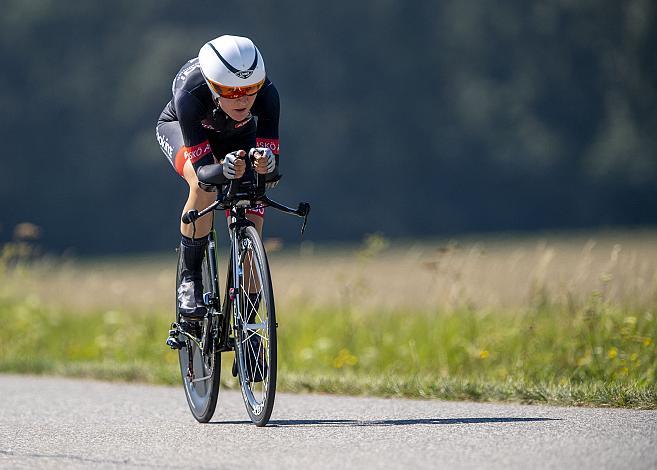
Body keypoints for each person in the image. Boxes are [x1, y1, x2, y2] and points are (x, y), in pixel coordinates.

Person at [156, 35, 280, 322]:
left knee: (254, 200)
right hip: (185, 132)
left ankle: (250, 333)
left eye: (251, 90)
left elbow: (271, 173)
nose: (244, 99)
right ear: (213, 86)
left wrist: (266, 164)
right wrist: (221, 168)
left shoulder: (268, 94)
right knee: (204, 187)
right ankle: (190, 281)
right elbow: (203, 170)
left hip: (239, 136)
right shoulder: (190, 92)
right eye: (231, 91)